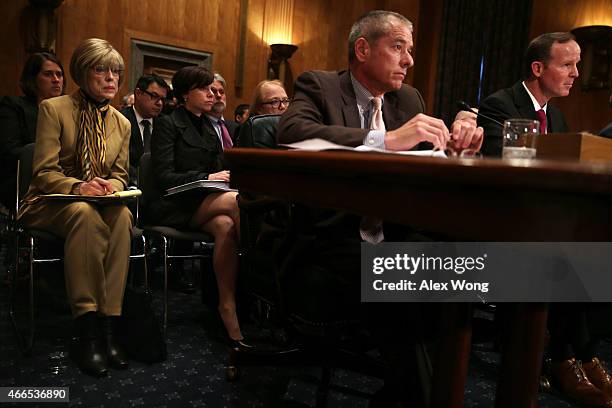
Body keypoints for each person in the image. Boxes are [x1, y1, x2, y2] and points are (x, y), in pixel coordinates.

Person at [277, 10, 482, 407]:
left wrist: (453, 150)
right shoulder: (320, 85)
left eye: (411, 51)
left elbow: (425, 162)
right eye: (398, 47)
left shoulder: (408, 98)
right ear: (363, 48)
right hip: (330, 240)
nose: (409, 61)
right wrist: (383, 139)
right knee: (403, 280)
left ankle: (403, 396)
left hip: (394, 234)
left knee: (468, 267)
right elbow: (292, 133)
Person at [18, 38, 132, 378]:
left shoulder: (122, 124)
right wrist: (79, 186)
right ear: (82, 72)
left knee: (122, 213)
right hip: (50, 202)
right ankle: (87, 330)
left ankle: (109, 324)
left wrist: (111, 187)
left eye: (116, 72)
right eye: (101, 70)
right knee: (84, 214)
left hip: (98, 202)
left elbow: (121, 175)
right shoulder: (54, 109)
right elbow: (44, 172)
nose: (111, 78)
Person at [148, 66, 246, 348]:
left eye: (212, 88)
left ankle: (227, 306)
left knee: (226, 225)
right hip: (172, 204)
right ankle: (260, 284)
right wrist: (205, 178)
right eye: (204, 88)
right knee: (237, 203)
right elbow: (164, 177)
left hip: (204, 202)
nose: (211, 93)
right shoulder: (168, 123)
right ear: (185, 94)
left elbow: (222, 170)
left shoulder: (208, 126)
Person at [479, 32, 579, 156]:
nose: (575, 73)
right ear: (538, 69)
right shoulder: (498, 106)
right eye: (567, 65)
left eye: (576, 64)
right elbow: (501, 161)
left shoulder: (557, 118)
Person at [0, 52, 65, 210]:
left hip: (65, 178)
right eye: (48, 74)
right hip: (26, 181)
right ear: (33, 79)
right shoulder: (13, 106)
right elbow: (9, 150)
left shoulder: (68, 111)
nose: (56, 80)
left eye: (59, 74)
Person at [120, 74, 169, 186]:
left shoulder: (166, 123)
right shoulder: (121, 120)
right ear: (138, 93)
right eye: (154, 96)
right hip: (128, 186)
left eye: (162, 99)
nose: (160, 103)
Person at [204, 72, 237, 147]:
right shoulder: (198, 126)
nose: (219, 95)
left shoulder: (235, 127)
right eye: (213, 91)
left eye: (221, 92)